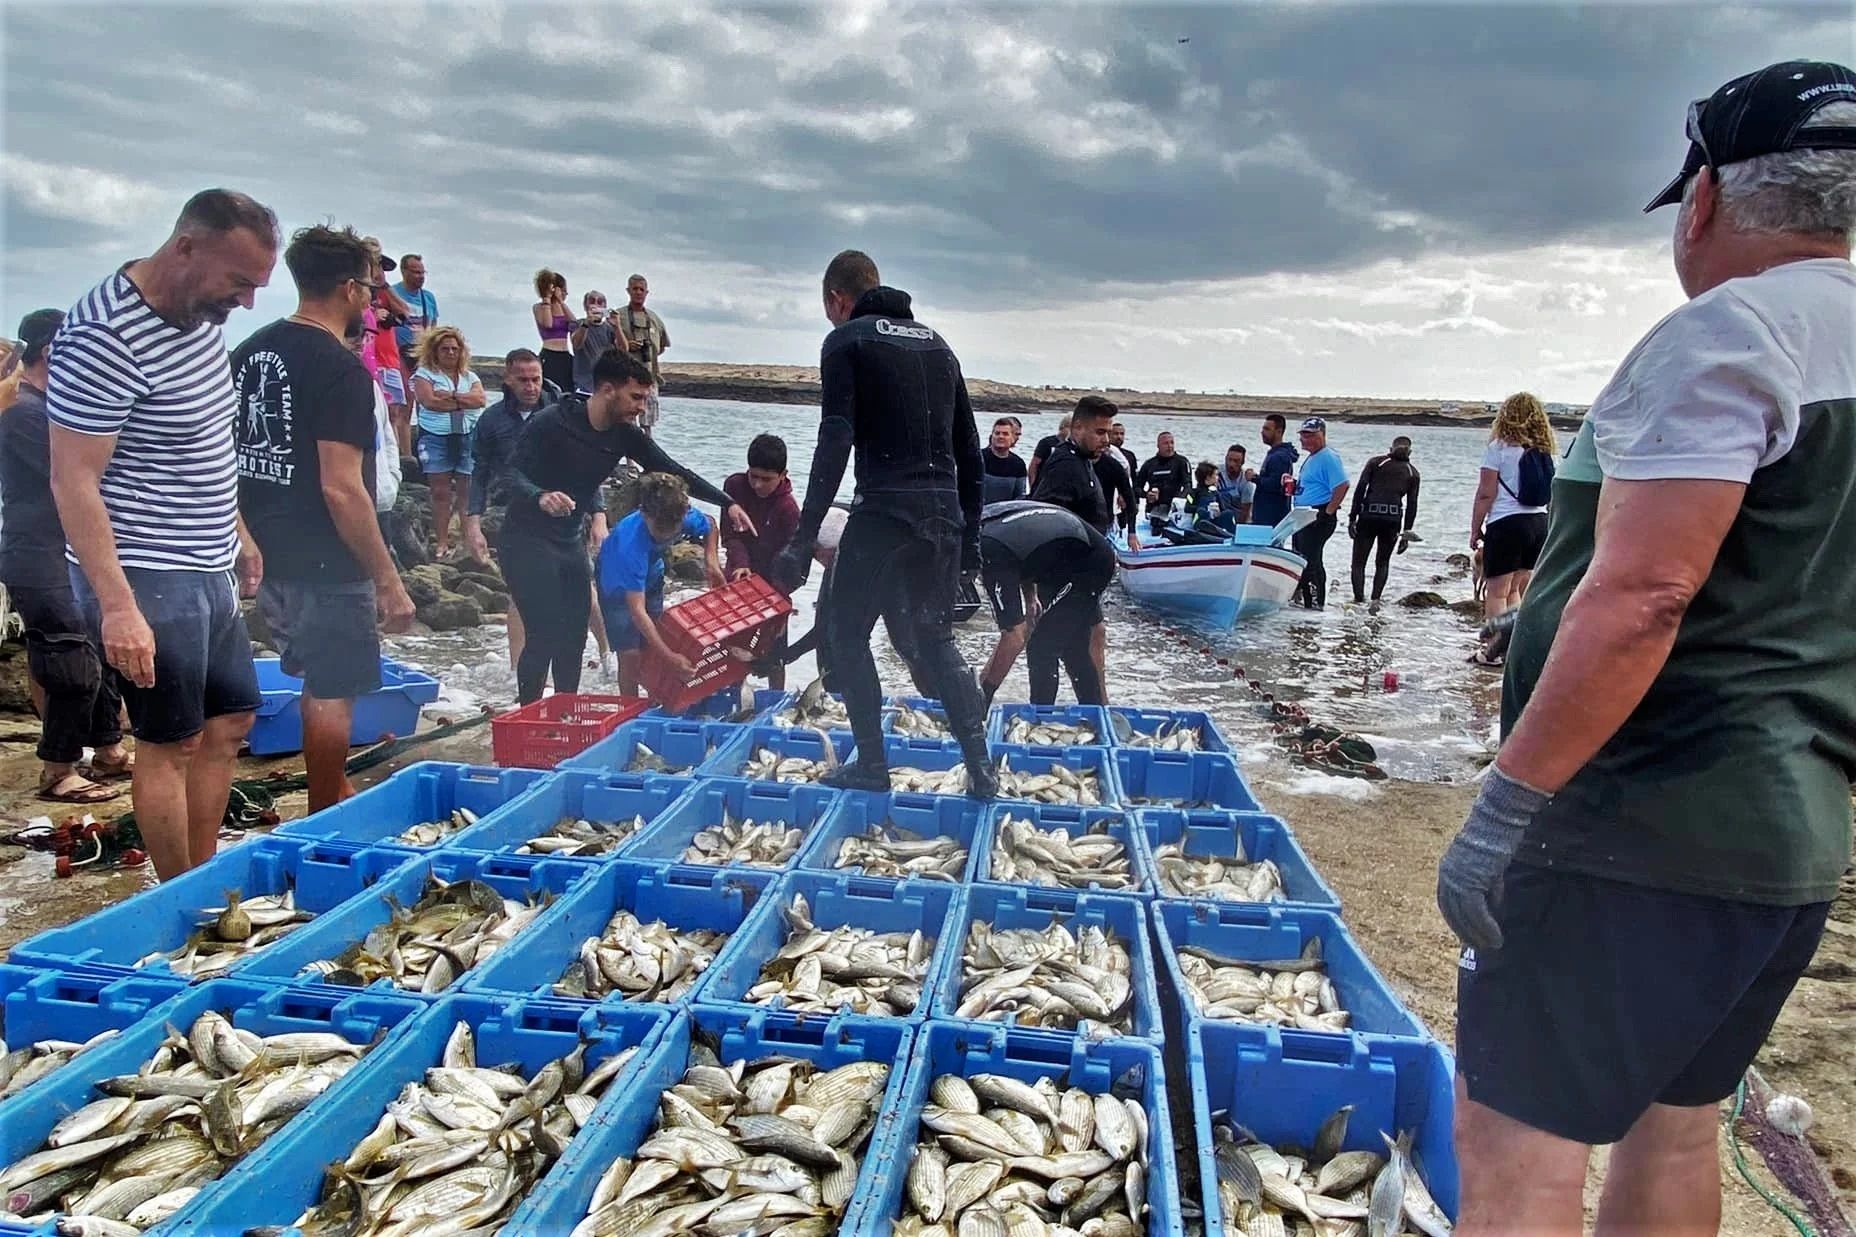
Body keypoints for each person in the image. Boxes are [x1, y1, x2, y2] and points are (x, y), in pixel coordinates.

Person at [1437, 60, 1856, 1237]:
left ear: (1707, 197)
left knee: (1513, 1146)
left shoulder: (1731, 331)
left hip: (1633, 832)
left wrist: (1505, 807)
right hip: (1785, 843)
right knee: (1674, 1126)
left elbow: (1645, 593)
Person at [48, 188, 279, 879]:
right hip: (144, 572)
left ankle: (203, 877)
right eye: (238, 282)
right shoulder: (104, 336)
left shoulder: (197, 316)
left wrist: (238, 530)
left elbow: (206, 438)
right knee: (168, 741)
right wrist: (117, 606)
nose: (244, 304)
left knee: (231, 722)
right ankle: (177, 902)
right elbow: (73, 480)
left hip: (207, 562)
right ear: (186, 247)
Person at [770, 249, 994, 797]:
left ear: (837, 299)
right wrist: (971, 539)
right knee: (936, 637)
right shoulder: (939, 345)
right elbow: (970, 450)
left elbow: (835, 439)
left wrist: (803, 538)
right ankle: (982, 770)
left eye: (829, 310)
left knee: (846, 633)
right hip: (943, 516)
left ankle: (871, 766)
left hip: (886, 513)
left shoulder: (846, 340)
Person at [234, 224, 416, 812]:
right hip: (326, 556)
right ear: (348, 289)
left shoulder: (250, 351)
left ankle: (332, 787)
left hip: (265, 547)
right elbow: (342, 488)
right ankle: (323, 816)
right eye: (369, 286)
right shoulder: (340, 369)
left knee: (310, 673)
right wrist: (388, 580)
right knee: (332, 688)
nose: (372, 298)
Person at [496, 348, 749, 703]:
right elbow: (508, 473)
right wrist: (540, 495)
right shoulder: (553, 420)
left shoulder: (624, 435)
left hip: (569, 541)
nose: (641, 407)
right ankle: (529, 714)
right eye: (636, 397)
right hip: (525, 539)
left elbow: (673, 469)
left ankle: (564, 712)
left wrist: (728, 502)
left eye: (645, 399)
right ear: (607, 389)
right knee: (543, 634)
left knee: (573, 636)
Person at [1, 309, 130, 805]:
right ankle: (58, 768)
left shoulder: (41, 410)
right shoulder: (25, 416)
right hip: (37, 554)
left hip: (63, 553)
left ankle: (108, 749)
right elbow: (87, 476)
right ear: (54, 351)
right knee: (70, 661)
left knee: (96, 649)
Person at [464, 348, 558, 666]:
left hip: (564, 511)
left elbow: (585, 465)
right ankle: (520, 671)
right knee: (521, 591)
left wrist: (598, 516)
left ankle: (606, 655)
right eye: (523, 380)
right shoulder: (492, 421)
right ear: (507, 379)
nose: (531, 387)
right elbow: (479, 474)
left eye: (536, 379)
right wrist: (473, 523)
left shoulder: (560, 410)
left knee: (581, 590)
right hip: (518, 514)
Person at [977, 500, 1116, 707]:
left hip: (1088, 562)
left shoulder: (988, 552)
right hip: (1065, 556)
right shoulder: (982, 527)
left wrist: (982, 695)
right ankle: (1094, 712)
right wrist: (1031, 597)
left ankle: (1040, 720)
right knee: (1074, 647)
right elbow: (1022, 555)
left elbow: (1014, 636)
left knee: (1042, 646)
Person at [599, 473, 725, 696]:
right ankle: (630, 708)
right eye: (659, 530)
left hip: (652, 575)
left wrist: (711, 560)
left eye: (672, 530)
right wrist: (671, 657)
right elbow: (637, 612)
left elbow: (711, 525)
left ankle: (656, 698)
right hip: (615, 584)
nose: (665, 535)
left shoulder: (680, 513)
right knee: (630, 655)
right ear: (644, 513)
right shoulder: (630, 544)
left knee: (651, 646)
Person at [1471, 392, 1556, 645]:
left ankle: (1493, 648)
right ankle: (1514, 646)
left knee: (1497, 593)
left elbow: (1486, 493)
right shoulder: (1543, 451)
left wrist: (1475, 529)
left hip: (1507, 522)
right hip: (1538, 523)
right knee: (1517, 590)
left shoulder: (1499, 449)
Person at [722, 434, 801, 689]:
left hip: (773, 585)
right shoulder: (733, 486)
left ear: (783, 475)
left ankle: (776, 700)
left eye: (766, 479)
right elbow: (730, 535)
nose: (757, 485)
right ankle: (735, 699)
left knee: (775, 656)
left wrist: (778, 596)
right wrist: (741, 563)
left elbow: (794, 562)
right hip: (738, 577)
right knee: (734, 651)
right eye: (752, 476)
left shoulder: (788, 509)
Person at [411, 325, 486, 559]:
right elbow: (430, 402)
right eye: (445, 349)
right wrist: (463, 402)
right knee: (440, 492)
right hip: (435, 437)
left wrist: (452, 397)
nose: (451, 353)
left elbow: (480, 400)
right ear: (435, 351)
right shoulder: (424, 375)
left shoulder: (469, 377)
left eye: (455, 349)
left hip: (466, 436)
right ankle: (441, 542)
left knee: (466, 491)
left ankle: (467, 541)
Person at [1349, 436, 1421, 604]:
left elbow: (1360, 489)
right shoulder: (1412, 472)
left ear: (1390, 449)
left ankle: (1358, 600)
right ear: (1410, 451)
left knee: (1358, 563)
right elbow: (1412, 504)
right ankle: (1375, 600)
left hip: (1368, 516)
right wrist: (1407, 532)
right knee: (1383, 562)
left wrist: (1353, 517)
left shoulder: (1376, 463)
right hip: (1392, 520)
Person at [1029, 397, 1114, 535]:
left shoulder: (1082, 457)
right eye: (1100, 432)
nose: (1106, 440)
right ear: (1078, 428)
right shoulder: (1065, 464)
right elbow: (1047, 522)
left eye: (1107, 433)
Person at [1289, 417, 1348, 609]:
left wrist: (1328, 511)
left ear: (1321, 435)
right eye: (1303, 435)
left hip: (1318, 514)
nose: (1304, 439)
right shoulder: (1313, 457)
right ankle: (1305, 600)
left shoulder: (1328, 456)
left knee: (1311, 561)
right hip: (1304, 515)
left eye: (1309, 435)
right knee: (1302, 558)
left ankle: (1315, 604)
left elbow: (1342, 485)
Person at [362, 239, 412, 457]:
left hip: (389, 357)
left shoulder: (384, 292)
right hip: (370, 357)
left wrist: (384, 285)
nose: (379, 270)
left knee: (393, 411)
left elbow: (405, 312)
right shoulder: (357, 291)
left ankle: (394, 461)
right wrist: (373, 314)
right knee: (372, 410)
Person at [617, 274, 670, 436]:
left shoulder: (654, 319)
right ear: (628, 291)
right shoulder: (619, 316)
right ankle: (630, 460)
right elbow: (608, 346)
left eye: (642, 289)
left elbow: (661, 347)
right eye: (635, 289)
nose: (638, 292)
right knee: (627, 421)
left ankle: (647, 456)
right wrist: (628, 345)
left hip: (649, 378)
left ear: (647, 292)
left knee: (648, 422)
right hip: (626, 378)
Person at [391, 253, 437, 388]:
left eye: (423, 273)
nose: (421, 277)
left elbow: (433, 328)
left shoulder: (428, 297)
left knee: (423, 397)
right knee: (405, 399)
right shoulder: (392, 293)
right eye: (416, 273)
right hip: (398, 354)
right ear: (404, 271)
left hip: (422, 355)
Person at [1247, 414, 1299, 526]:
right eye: (1263, 428)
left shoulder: (1279, 457)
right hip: (1268, 513)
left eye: (1267, 429)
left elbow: (1276, 484)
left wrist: (1254, 478)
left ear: (1279, 432)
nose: (1262, 432)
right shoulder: (1276, 454)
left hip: (1271, 515)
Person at [1135, 431, 1191, 531]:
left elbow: (1188, 486)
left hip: (1174, 508)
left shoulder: (1182, 462)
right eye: (1166, 443)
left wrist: (1178, 500)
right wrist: (1147, 495)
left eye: (1172, 442)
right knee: (1157, 524)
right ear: (1158, 445)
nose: (1169, 446)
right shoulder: (1149, 464)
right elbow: (1136, 487)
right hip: (1154, 508)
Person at [532, 268, 575, 393]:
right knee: (550, 392)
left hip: (565, 355)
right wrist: (547, 298)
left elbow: (574, 323)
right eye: (564, 291)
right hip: (549, 354)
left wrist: (561, 302)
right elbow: (548, 324)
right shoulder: (539, 307)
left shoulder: (563, 308)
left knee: (568, 392)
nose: (565, 294)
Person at [569, 290, 617, 396]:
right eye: (592, 301)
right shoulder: (577, 324)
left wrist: (617, 327)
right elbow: (576, 344)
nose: (595, 305)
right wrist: (586, 323)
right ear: (585, 305)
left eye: (600, 302)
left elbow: (623, 350)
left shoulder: (610, 328)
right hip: (584, 387)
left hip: (605, 386)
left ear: (605, 307)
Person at [980, 416, 1028, 505]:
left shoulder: (1018, 464)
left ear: (1013, 438)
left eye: (1005, 434)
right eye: (997, 433)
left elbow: (1019, 497)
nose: (1000, 436)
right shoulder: (978, 458)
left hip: (1003, 514)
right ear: (992, 436)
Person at [1213, 444, 1255, 528]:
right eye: (1229, 460)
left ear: (1242, 463)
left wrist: (1237, 529)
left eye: (1236, 461)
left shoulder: (1246, 482)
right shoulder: (1215, 473)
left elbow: (1245, 511)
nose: (1231, 464)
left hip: (1237, 517)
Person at [1026, 413, 1069, 490]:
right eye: (1070, 428)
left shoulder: (1074, 446)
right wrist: (1033, 487)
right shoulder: (1047, 443)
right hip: (1043, 486)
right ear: (1063, 427)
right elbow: (1034, 465)